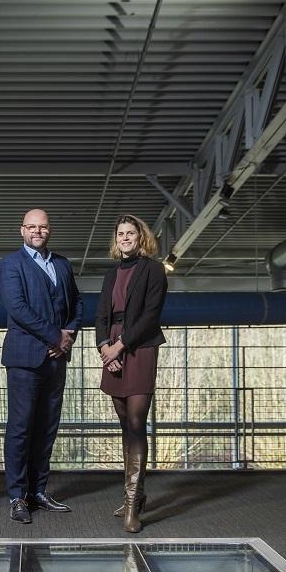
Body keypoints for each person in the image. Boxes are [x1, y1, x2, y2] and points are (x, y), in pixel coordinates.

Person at [0, 209, 83, 523]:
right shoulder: (10, 265)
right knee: (20, 429)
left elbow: (78, 302)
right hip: (24, 358)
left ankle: (39, 491)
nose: (37, 231)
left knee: (47, 427)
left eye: (43, 226)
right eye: (32, 226)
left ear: (50, 230)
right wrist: (54, 336)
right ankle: (17, 496)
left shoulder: (62, 263)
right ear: (22, 230)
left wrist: (68, 335)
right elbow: (17, 308)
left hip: (56, 359)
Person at [95, 214, 167, 533]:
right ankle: (131, 497)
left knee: (137, 423)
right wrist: (104, 349)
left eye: (130, 233)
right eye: (120, 233)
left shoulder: (153, 269)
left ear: (141, 237)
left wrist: (120, 346)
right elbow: (100, 315)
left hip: (140, 347)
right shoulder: (111, 274)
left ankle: (133, 503)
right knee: (125, 424)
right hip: (113, 349)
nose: (125, 237)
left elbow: (151, 316)